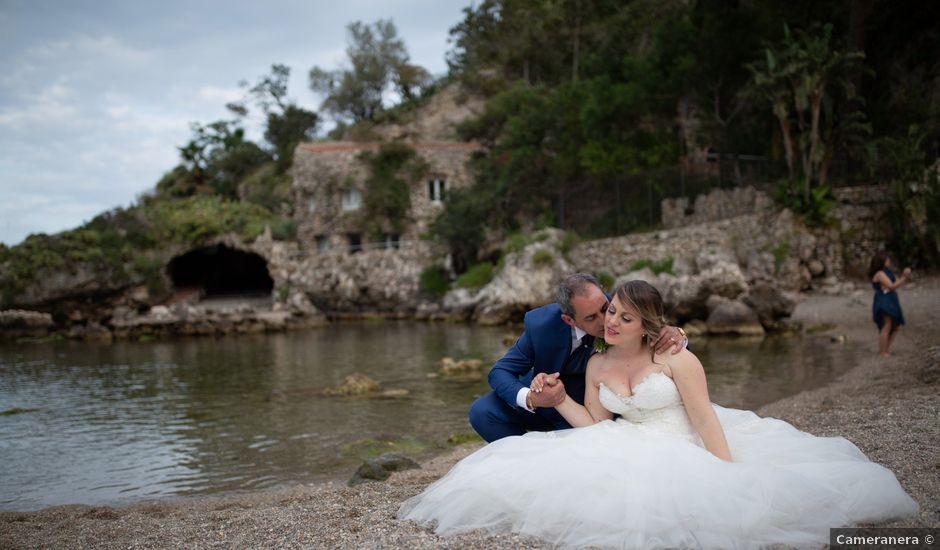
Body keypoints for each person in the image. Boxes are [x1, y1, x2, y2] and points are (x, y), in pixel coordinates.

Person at [400, 280, 918, 548]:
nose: (609, 321)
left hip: (682, 442)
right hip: (623, 441)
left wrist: (726, 471)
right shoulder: (595, 361)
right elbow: (597, 426)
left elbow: (706, 417)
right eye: (605, 314)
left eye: (621, 315)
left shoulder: (675, 354)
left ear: (643, 321)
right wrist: (556, 400)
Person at [468, 273, 686, 443]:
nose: (606, 321)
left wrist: (679, 336)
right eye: (591, 318)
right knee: (482, 411)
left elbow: (668, 347)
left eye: (605, 309)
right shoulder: (541, 326)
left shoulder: (620, 309)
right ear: (568, 320)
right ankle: (526, 464)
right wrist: (532, 399)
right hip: (543, 402)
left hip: (586, 414)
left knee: (575, 456)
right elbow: (499, 371)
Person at [868, 250, 912, 357]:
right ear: (882, 261)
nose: (889, 261)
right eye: (887, 259)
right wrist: (904, 277)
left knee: (895, 325)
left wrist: (902, 277)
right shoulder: (880, 273)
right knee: (887, 324)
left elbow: (895, 283)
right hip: (884, 300)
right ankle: (883, 351)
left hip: (891, 299)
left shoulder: (887, 272)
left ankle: (886, 349)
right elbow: (892, 286)